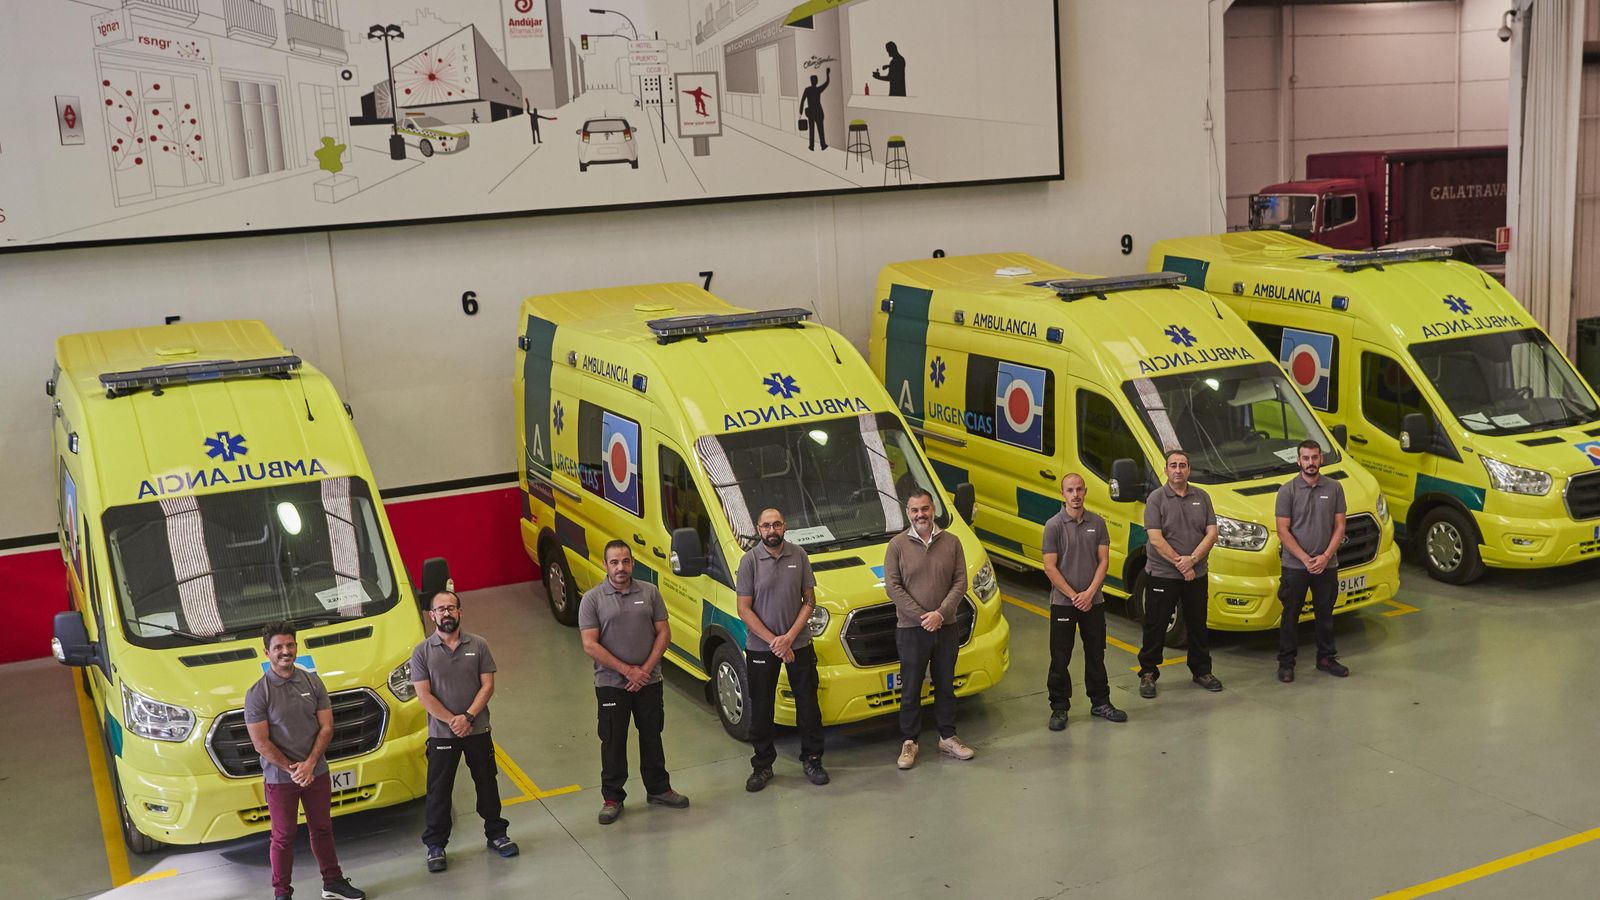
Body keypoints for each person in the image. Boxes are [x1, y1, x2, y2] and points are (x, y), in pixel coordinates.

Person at [245, 623, 367, 900]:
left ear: (296, 647)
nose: (285, 651)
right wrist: (293, 769)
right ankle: (282, 893)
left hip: (316, 772)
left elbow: (326, 727)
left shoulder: (312, 682)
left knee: (322, 828)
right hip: (280, 778)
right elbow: (260, 742)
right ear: (267, 652)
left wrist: (311, 763)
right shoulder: (257, 693)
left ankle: (333, 882)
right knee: (284, 837)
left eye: (290, 645)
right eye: (278, 647)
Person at [578, 541, 691, 824]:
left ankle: (659, 789)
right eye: (614, 562)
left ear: (632, 563)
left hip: (649, 682)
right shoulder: (592, 599)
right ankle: (613, 797)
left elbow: (663, 633)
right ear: (605, 565)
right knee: (613, 740)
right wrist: (628, 671)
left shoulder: (650, 592)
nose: (620, 568)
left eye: (625, 561)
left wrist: (645, 671)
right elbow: (590, 644)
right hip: (611, 684)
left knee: (652, 735)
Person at [411, 589, 517, 874]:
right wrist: (452, 721)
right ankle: (436, 845)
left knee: (487, 783)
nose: (446, 613)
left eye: (451, 607)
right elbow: (424, 695)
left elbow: (488, 685)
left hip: (478, 729)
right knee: (438, 791)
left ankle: (496, 834)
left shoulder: (478, 645)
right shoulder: (421, 652)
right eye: (440, 609)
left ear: (460, 611)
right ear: (432, 615)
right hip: (442, 735)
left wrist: (468, 717)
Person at [883, 488, 974, 769]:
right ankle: (909, 742)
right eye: (914, 510)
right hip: (911, 630)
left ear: (932, 509)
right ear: (907, 513)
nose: (920, 514)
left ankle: (948, 737)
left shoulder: (952, 542)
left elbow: (961, 581)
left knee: (945, 684)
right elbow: (893, 587)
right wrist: (924, 616)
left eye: (924, 508)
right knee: (911, 688)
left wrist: (940, 614)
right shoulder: (897, 546)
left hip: (946, 628)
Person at [737, 507, 826, 791]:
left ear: (785, 526)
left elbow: (809, 600)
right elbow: (744, 608)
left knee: (808, 705)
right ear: (758, 528)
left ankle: (812, 759)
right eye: (766, 526)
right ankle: (762, 766)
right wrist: (775, 642)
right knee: (761, 707)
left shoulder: (798, 556)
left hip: (798, 643)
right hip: (761, 648)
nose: (771, 530)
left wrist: (789, 637)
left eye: (776, 525)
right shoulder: (749, 561)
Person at [1042, 474, 1127, 730]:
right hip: (1063, 603)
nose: (1075, 494)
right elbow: (1049, 566)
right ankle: (1059, 708)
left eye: (1079, 489)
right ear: (1062, 494)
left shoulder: (1098, 523)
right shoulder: (1053, 525)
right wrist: (1073, 595)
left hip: (1093, 602)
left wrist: (1090, 593)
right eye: (1070, 490)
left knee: (1096, 653)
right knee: (1060, 656)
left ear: (1086, 491)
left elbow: (1103, 562)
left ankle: (1100, 702)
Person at [1138, 449, 1223, 698]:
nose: (1178, 470)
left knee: (1198, 623)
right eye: (1173, 465)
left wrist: (1193, 561)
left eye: (1182, 465)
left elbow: (1212, 533)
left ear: (1189, 470)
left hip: (1196, 573)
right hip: (1163, 574)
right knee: (1155, 625)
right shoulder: (1156, 499)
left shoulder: (1202, 497)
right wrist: (1181, 563)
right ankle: (1148, 673)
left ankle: (1201, 671)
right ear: (1166, 470)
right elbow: (1155, 538)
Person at [1274, 439, 1351, 682]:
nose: (1310, 463)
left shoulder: (1334, 488)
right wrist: (1306, 559)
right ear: (1298, 461)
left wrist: (1326, 556)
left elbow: (1340, 525)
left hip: (1326, 565)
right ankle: (1286, 663)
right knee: (1291, 614)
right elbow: (1283, 530)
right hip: (1296, 566)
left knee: (1325, 613)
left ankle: (1326, 658)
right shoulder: (1287, 491)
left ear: (1321, 459)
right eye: (1305, 458)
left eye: (1314, 457)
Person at [799, 67, 831, 151]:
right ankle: (822, 145)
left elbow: (802, 100)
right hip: (818, 112)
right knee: (820, 129)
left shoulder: (807, 90)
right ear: (816, 81)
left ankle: (811, 146)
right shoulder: (818, 90)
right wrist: (827, 74)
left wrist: (800, 111)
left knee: (812, 129)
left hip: (811, 112)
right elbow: (827, 83)